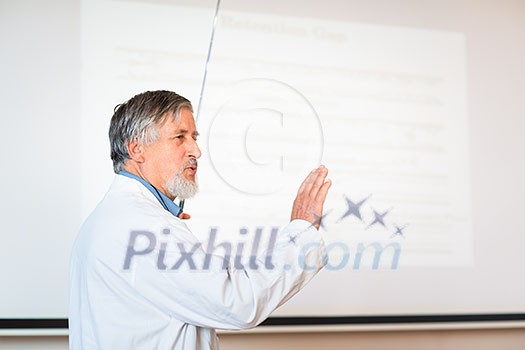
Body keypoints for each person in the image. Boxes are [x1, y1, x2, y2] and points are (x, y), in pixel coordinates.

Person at [69, 90, 332, 350]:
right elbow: (239, 302)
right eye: (179, 137)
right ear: (137, 149)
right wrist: (301, 233)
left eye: (193, 137)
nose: (196, 150)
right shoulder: (146, 227)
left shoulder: (113, 218)